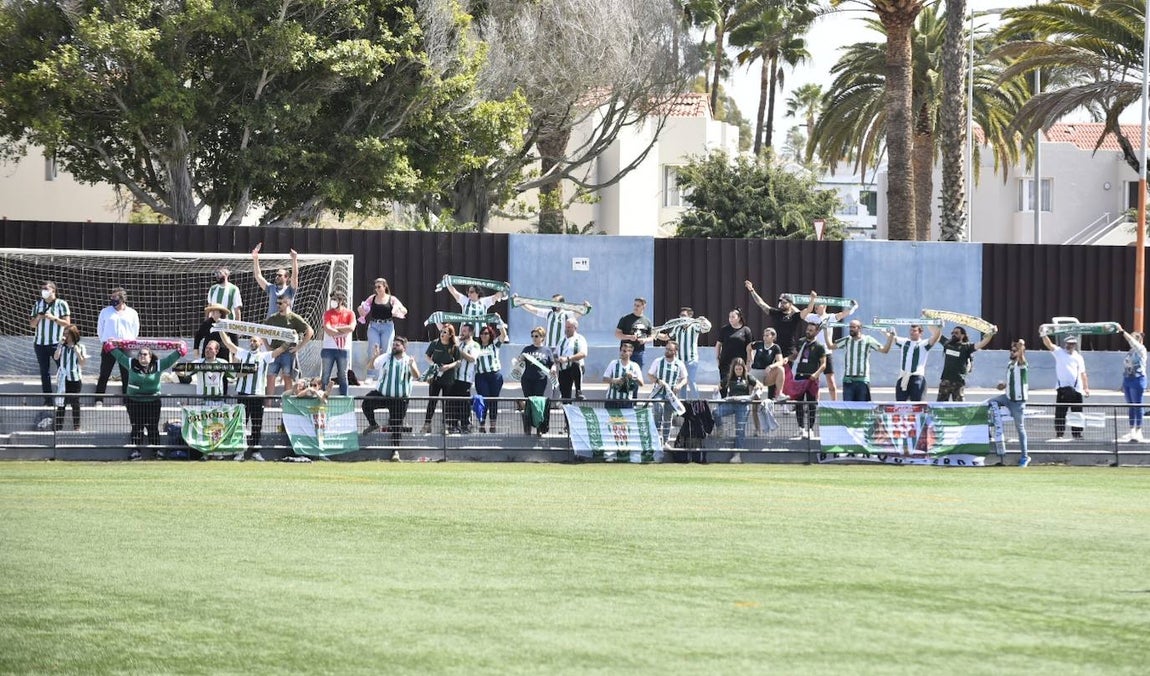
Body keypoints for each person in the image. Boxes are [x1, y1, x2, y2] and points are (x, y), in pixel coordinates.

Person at [108, 341, 186, 459]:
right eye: (140, 354)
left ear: (150, 356)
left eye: (145, 354)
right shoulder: (131, 363)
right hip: (134, 401)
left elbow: (170, 359)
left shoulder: (158, 365)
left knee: (152, 427)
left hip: (152, 402)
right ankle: (135, 451)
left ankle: (156, 451)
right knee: (137, 426)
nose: (141, 356)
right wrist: (110, 346)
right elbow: (120, 356)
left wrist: (181, 349)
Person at [217, 331, 287, 461]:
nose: (252, 343)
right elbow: (228, 343)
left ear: (261, 343)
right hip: (243, 394)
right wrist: (220, 328)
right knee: (241, 424)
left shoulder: (265, 356)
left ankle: (255, 451)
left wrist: (291, 338)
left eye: (255, 341)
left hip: (258, 394)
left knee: (256, 424)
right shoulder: (244, 353)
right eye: (251, 340)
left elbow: (280, 350)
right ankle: (240, 451)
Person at [363, 337, 423, 453]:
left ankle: (395, 451)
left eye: (397, 345)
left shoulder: (408, 360)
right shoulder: (386, 356)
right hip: (383, 395)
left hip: (400, 399)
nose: (394, 347)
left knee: (396, 425)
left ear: (404, 348)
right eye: (393, 344)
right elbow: (370, 366)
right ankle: (373, 424)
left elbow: (417, 375)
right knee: (366, 403)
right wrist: (375, 356)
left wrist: (411, 365)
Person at [800, 292, 859, 402]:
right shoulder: (812, 317)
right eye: (816, 305)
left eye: (819, 304)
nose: (817, 307)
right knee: (814, 381)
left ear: (825, 306)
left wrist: (852, 307)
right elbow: (802, 315)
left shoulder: (830, 317)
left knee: (830, 381)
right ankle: (816, 404)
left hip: (826, 352)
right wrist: (812, 300)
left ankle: (834, 404)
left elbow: (843, 314)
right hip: (814, 353)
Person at [988, 339, 1030, 467]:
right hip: (1007, 397)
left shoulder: (1022, 364)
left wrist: (1021, 345)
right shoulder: (1010, 365)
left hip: (1017, 401)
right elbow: (1012, 381)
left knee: (1020, 428)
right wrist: (1003, 385)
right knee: (988, 403)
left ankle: (1025, 456)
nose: (1012, 353)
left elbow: (1022, 358)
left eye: (1014, 351)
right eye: (1011, 350)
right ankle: (989, 432)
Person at [1041, 332, 1090, 441]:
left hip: (1077, 389)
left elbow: (1083, 373)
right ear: (1065, 344)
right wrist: (1044, 334)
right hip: (1063, 388)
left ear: (1075, 345)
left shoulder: (1079, 357)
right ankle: (1059, 434)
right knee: (1060, 412)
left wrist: (1086, 388)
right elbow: (1049, 344)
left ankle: (1077, 434)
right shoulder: (1059, 352)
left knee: (1077, 413)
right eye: (1068, 343)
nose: (1070, 346)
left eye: (1072, 344)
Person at [830, 320, 895, 402]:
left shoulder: (868, 340)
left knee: (863, 409)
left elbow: (885, 350)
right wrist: (826, 330)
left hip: (862, 380)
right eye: (850, 327)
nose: (851, 329)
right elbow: (830, 346)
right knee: (848, 408)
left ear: (859, 328)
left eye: (853, 327)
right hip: (848, 380)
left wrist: (891, 337)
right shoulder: (847, 340)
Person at [95, 287, 140, 400]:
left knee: (126, 374)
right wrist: (105, 340)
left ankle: (127, 399)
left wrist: (128, 341)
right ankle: (99, 399)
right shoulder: (105, 311)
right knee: (104, 373)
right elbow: (100, 329)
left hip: (125, 346)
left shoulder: (132, 313)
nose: (112, 298)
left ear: (122, 298)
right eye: (112, 296)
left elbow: (135, 329)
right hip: (109, 346)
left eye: (115, 296)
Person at [30, 281, 71, 405]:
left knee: (62, 371)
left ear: (53, 290)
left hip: (56, 344)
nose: (44, 291)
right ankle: (48, 400)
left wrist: (53, 318)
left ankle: (64, 398)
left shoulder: (61, 304)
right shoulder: (38, 304)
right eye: (42, 289)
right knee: (44, 372)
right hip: (40, 344)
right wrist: (38, 317)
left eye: (46, 289)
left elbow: (67, 323)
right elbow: (32, 325)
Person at [264, 296, 314, 395]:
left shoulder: (294, 318)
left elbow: (310, 331)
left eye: (280, 303)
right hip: (274, 351)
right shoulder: (273, 318)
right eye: (277, 303)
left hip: (288, 352)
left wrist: (299, 346)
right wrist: (267, 346)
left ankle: (286, 403)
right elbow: (262, 330)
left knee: (287, 377)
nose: (278, 305)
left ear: (287, 304)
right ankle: (268, 404)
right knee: (270, 377)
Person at [713, 358, 763, 456]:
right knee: (715, 412)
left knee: (740, 430)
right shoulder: (729, 377)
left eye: (740, 369)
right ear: (733, 369)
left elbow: (759, 384)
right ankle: (720, 429)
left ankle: (737, 454)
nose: (738, 371)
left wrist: (757, 386)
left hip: (743, 406)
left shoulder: (748, 377)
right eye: (737, 369)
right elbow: (719, 385)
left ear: (743, 369)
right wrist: (716, 388)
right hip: (731, 403)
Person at [358, 278, 408, 370]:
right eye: (375, 287)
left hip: (387, 326)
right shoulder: (372, 298)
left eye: (379, 287)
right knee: (373, 349)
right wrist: (360, 309)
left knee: (386, 349)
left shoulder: (392, 299)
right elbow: (363, 308)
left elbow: (405, 310)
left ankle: (385, 372)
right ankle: (371, 374)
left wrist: (398, 311)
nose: (377, 289)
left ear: (385, 287)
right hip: (374, 326)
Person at [788, 322, 827, 439]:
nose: (808, 331)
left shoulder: (819, 346)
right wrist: (787, 359)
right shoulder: (801, 342)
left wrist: (816, 374)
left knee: (811, 404)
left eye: (811, 330)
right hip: (799, 377)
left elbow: (823, 364)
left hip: (811, 378)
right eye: (807, 329)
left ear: (816, 332)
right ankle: (801, 429)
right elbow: (795, 356)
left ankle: (810, 429)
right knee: (799, 404)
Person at [937, 325, 996, 401]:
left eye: (956, 333)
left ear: (963, 335)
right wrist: (928, 318)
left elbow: (982, 343)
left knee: (959, 407)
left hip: (958, 381)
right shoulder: (947, 344)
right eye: (952, 333)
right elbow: (936, 333)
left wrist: (991, 333)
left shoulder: (966, 347)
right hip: (945, 380)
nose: (953, 334)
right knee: (940, 406)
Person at [745, 281, 803, 357]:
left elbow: (803, 314)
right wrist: (752, 290)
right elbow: (761, 304)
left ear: (790, 304)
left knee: (789, 368)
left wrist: (791, 306)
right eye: (781, 302)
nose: (782, 304)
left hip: (789, 351)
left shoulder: (794, 316)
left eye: (784, 302)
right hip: (776, 348)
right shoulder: (776, 313)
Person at [663, 307, 711, 399]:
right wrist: (655, 334)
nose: (681, 317)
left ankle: (697, 404)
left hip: (691, 360)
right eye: (680, 315)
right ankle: (683, 405)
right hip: (679, 360)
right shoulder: (677, 328)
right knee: (682, 382)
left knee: (691, 381)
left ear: (690, 316)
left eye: (684, 315)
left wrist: (704, 320)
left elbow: (707, 328)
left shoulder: (694, 326)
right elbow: (667, 337)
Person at [422, 324, 462, 433]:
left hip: (448, 377)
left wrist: (448, 366)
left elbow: (458, 361)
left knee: (446, 402)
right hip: (435, 377)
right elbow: (427, 356)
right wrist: (433, 365)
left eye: (445, 332)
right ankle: (427, 424)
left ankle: (445, 426)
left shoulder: (454, 346)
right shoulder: (435, 343)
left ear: (450, 335)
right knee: (432, 401)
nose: (442, 334)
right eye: (441, 332)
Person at [514, 294, 590, 349]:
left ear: (561, 304)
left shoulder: (567, 314)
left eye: (555, 302)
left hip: (561, 349)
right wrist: (519, 302)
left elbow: (580, 312)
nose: (552, 305)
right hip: (548, 348)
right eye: (552, 302)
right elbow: (533, 309)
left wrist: (585, 307)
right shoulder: (549, 313)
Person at [647, 340, 688, 443]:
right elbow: (650, 375)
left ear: (675, 352)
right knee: (658, 408)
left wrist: (679, 385)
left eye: (670, 350)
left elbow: (685, 378)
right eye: (666, 349)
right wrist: (657, 380)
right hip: (658, 392)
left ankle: (665, 441)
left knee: (668, 417)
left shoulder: (679, 364)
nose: (667, 351)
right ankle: (655, 439)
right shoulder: (658, 361)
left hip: (671, 394)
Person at [519, 327, 555, 435]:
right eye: (533, 336)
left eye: (536, 336)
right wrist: (519, 359)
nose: (534, 338)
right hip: (527, 379)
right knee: (529, 402)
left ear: (542, 337)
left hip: (540, 379)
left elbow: (552, 363)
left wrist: (553, 368)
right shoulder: (527, 349)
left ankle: (539, 427)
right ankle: (528, 427)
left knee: (539, 403)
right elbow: (520, 360)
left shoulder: (547, 350)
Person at [892, 323, 942, 401]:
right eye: (911, 330)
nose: (911, 332)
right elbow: (892, 338)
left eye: (914, 331)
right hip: (903, 377)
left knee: (917, 405)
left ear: (920, 333)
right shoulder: (904, 342)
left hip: (917, 378)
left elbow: (935, 337)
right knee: (900, 404)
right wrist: (885, 330)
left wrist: (938, 328)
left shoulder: (923, 343)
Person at [474, 322, 509, 433]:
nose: (483, 336)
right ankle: (482, 423)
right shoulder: (476, 346)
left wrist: (500, 323)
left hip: (494, 376)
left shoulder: (494, 345)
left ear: (490, 335)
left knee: (494, 400)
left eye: (486, 333)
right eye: (482, 333)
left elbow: (503, 335)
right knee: (483, 399)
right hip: (481, 376)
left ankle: (493, 425)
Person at [320, 290, 355, 396]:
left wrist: (336, 328)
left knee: (343, 375)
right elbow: (328, 330)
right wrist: (342, 330)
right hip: (328, 349)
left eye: (335, 299)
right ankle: (322, 397)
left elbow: (351, 328)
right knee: (325, 375)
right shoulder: (327, 313)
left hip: (343, 349)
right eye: (332, 299)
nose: (333, 302)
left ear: (341, 301)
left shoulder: (349, 313)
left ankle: (344, 398)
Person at [52, 324, 86, 431]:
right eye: (64, 334)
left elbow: (83, 362)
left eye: (67, 334)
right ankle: (58, 427)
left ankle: (76, 426)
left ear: (72, 334)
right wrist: (59, 345)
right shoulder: (62, 346)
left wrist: (77, 353)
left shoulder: (80, 347)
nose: (65, 336)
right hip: (64, 378)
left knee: (75, 403)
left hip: (75, 378)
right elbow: (56, 357)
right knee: (61, 403)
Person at [252, 243, 299, 317]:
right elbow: (258, 276)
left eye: (280, 275)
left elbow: (295, 276)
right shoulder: (271, 288)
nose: (277, 277)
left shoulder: (290, 290)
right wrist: (255, 258)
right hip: (271, 325)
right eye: (276, 275)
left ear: (286, 277)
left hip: (284, 325)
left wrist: (294, 259)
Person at [450, 323, 481, 433]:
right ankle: (453, 425)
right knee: (453, 403)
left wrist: (459, 351)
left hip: (465, 379)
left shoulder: (475, 345)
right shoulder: (459, 344)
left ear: (471, 332)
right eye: (461, 331)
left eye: (464, 331)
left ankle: (465, 425)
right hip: (454, 378)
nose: (462, 333)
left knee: (464, 403)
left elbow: (472, 359)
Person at [1118, 326, 1147, 442]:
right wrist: (1122, 383)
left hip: (1138, 379)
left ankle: (1139, 430)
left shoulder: (1141, 350)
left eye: (1134, 339)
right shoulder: (1130, 352)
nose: (1131, 342)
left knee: (1137, 404)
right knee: (1130, 406)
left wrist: (1122, 331)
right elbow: (1126, 367)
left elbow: (1131, 341)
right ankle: (1131, 430)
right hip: (1128, 380)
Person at [715, 308, 753, 393]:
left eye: (733, 317)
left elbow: (749, 347)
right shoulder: (725, 329)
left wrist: (749, 361)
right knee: (724, 384)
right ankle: (724, 403)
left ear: (739, 318)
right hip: (725, 362)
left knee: (741, 384)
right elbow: (718, 344)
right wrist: (717, 358)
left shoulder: (746, 330)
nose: (730, 319)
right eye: (729, 317)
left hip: (740, 363)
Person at [553, 317, 588, 401]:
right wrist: (557, 361)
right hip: (563, 369)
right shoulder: (562, 340)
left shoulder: (580, 339)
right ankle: (567, 410)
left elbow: (583, 353)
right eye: (566, 327)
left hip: (575, 367)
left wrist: (568, 358)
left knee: (575, 365)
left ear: (575, 328)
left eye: (569, 327)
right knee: (565, 396)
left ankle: (578, 391)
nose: (567, 329)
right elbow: (555, 353)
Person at [614, 298, 655, 368]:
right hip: (625, 351)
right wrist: (629, 337)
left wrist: (645, 340)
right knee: (624, 373)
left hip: (639, 352)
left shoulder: (647, 321)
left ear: (643, 307)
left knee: (637, 374)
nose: (635, 307)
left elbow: (652, 336)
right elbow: (617, 334)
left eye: (638, 306)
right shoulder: (625, 319)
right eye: (635, 305)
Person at [603, 342, 644, 407]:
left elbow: (641, 383)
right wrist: (615, 380)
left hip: (627, 402)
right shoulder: (613, 363)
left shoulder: (635, 366)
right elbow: (604, 379)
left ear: (630, 353)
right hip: (612, 401)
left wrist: (633, 377)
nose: (622, 353)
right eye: (621, 350)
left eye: (624, 351)